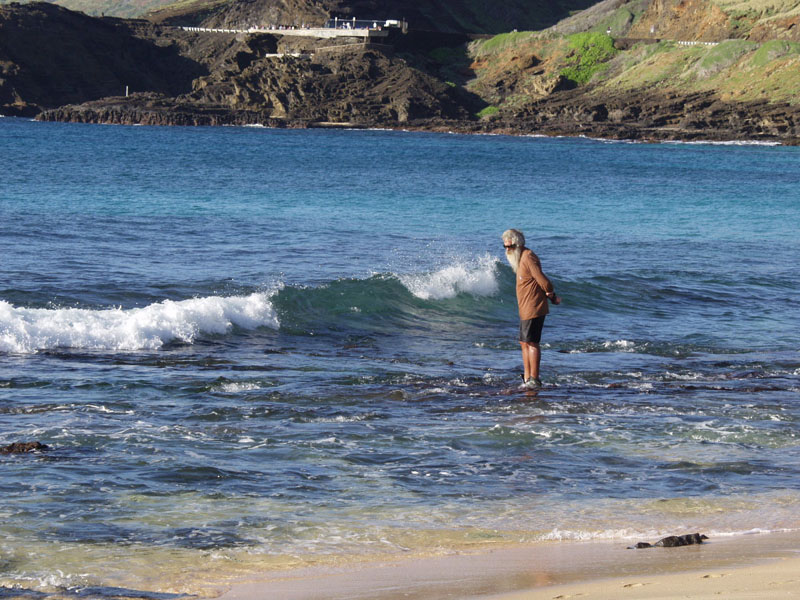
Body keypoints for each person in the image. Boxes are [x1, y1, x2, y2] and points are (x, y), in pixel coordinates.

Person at [502, 229, 560, 389]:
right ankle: (527, 376)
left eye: (510, 247)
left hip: (534, 306)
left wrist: (551, 294)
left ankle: (534, 378)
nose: (507, 250)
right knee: (523, 342)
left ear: (518, 244)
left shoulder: (528, 257)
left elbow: (543, 281)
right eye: (505, 247)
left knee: (532, 342)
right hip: (525, 307)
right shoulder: (519, 258)